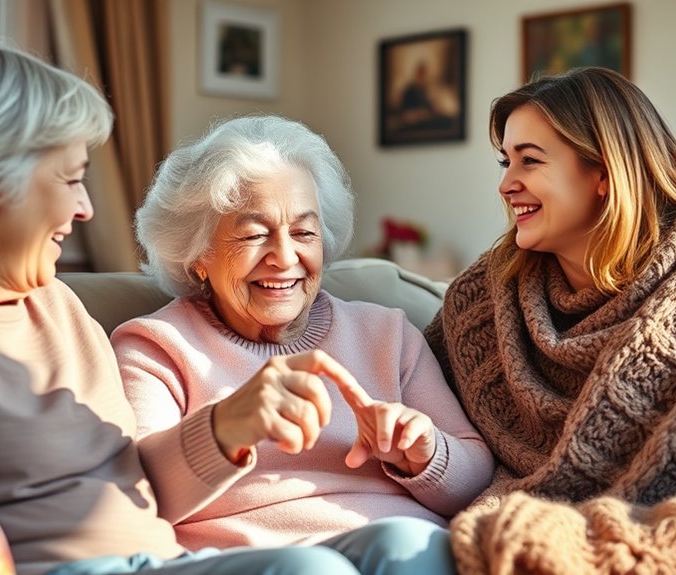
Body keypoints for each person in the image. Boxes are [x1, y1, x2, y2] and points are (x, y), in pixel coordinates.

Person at [0, 40, 445, 575]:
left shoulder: (56, 306)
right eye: (69, 178)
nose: (86, 208)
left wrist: (227, 432)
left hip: (155, 562)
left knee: (405, 544)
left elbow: (139, 484)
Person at [424, 66, 676, 574]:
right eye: (505, 162)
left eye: (529, 161)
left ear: (603, 173)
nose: (507, 184)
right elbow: (406, 383)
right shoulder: (482, 299)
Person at [110, 115, 493, 559]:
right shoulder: (157, 348)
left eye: (304, 233)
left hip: (396, 551)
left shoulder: (387, 333)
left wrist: (427, 452)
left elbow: (474, 478)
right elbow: (136, 499)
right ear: (198, 256)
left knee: (408, 542)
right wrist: (226, 428)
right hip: (260, 563)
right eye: (253, 234)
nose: (285, 257)